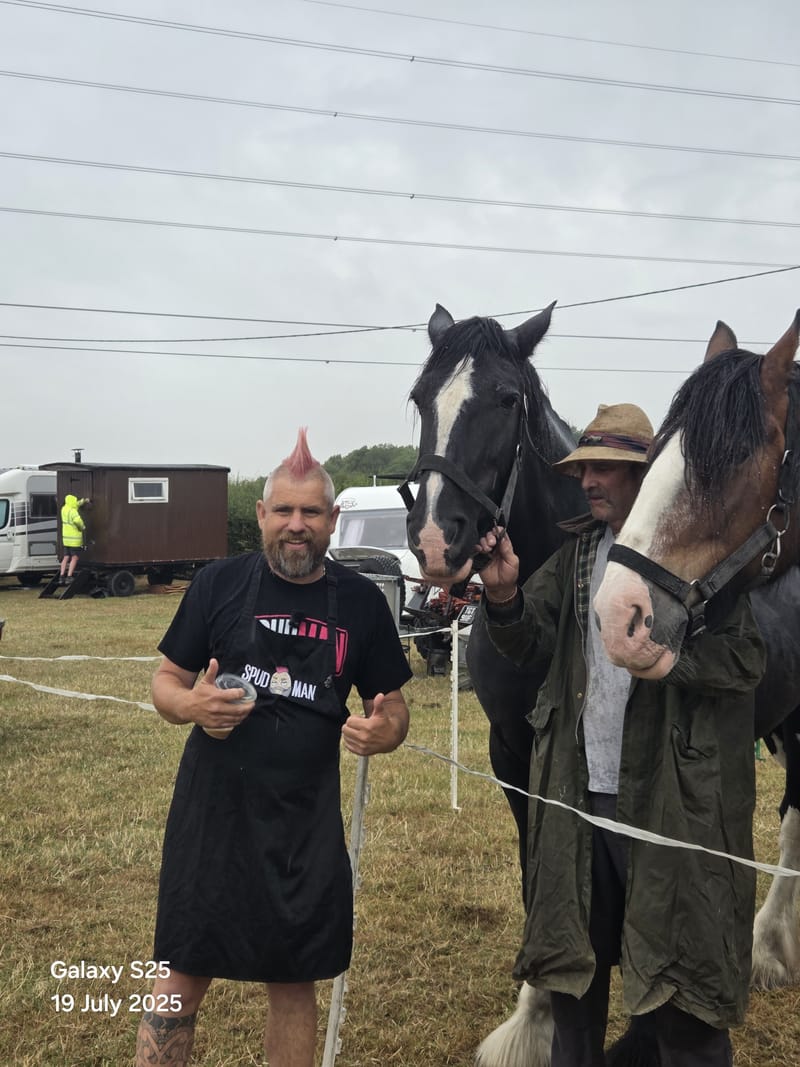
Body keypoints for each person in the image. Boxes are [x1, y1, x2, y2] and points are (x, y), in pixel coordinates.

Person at [476, 403, 766, 1067]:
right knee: (575, 986)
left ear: (646, 475)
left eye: (607, 466)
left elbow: (748, 659)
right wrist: (502, 596)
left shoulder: (698, 557)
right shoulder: (577, 555)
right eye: (584, 467)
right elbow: (528, 640)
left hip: (668, 810)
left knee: (679, 998)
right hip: (581, 806)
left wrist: (674, 662)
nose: (589, 480)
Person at [135, 429, 412, 1067]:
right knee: (181, 972)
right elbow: (165, 683)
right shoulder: (217, 585)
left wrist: (384, 731)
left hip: (303, 822)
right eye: (283, 510)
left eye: (310, 512)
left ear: (332, 520)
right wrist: (189, 706)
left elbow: (392, 706)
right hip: (214, 815)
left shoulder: (363, 604)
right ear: (260, 515)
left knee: (293, 979)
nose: (295, 525)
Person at [59, 493, 90, 584]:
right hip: (74, 539)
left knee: (66, 557)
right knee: (75, 557)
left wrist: (84, 501)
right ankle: (69, 576)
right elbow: (77, 521)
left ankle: (61, 577)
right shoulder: (73, 511)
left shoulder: (64, 509)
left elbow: (76, 504)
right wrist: (83, 527)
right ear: (72, 502)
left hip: (66, 539)